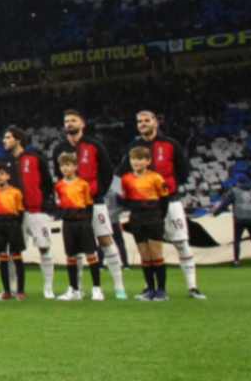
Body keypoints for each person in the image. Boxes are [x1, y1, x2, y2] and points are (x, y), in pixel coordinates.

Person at [117, 110, 206, 299]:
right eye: (139, 121)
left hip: (170, 202)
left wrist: (167, 188)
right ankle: (149, 287)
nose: (142, 124)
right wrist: (128, 199)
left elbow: (183, 171)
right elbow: (120, 174)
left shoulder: (171, 144)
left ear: (155, 122)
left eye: (146, 120)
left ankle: (192, 287)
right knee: (147, 248)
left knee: (181, 242)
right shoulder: (133, 147)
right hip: (144, 209)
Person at [55, 109, 125, 298]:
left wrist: (98, 193)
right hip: (72, 208)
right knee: (74, 249)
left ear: (82, 124)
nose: (69, 123)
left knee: (105, 240)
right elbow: (58, 176)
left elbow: (107, 171)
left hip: (95, 203)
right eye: (66, 121)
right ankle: (75, 289)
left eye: (73, 120)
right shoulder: (59, 148)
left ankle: (119, 287)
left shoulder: (94, 145)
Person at [3, 126, 56, 299]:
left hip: (35, 211)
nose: (4, 141)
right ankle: (11, 289)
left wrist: (43, 202)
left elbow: (47, 183)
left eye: (8, 137)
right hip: (14, 214)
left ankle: (48, 288)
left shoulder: (35, 158)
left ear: (18, 139)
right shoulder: (5, 162)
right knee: (13, 251)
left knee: (44, 247)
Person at [120, 146, 171, 301]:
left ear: (148, 161)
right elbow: (124, 200)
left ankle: (161, 291)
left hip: (153, 218)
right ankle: (150, 289)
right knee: (144, 255)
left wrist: (159, 217)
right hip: (136, 219)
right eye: (133, 158)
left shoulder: (156, 178)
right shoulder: (126, 179)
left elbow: (165, 200)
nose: (136, 162)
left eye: (140, 158)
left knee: (156, 254)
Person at [55, 153, 103, 301]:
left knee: (91, 255)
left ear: (75, 166)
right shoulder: (59, 186)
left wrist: (87, 223)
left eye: (68, 165)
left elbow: (89, 205)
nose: (65, 168)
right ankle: (74, 290)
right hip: (68, 224)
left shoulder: (83, 184)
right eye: (62, 165)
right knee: (71, 256)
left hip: (83, 223)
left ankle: (97, 289)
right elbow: (59, 204)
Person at [0, 162, 27, 300]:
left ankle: (20, 291)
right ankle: (6, 291)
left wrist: (16, 225)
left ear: (8, 176)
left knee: (16, 256)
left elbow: (20, 212)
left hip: (13, 223)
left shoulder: (16, 192)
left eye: (2, 174)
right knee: (2, 257)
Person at [210, 176, 251, 266]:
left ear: (238, 182)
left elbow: (225, 204)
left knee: (237, 240)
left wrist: (215, 213)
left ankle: (236, 261)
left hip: (239, 219)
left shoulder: (234, 191)